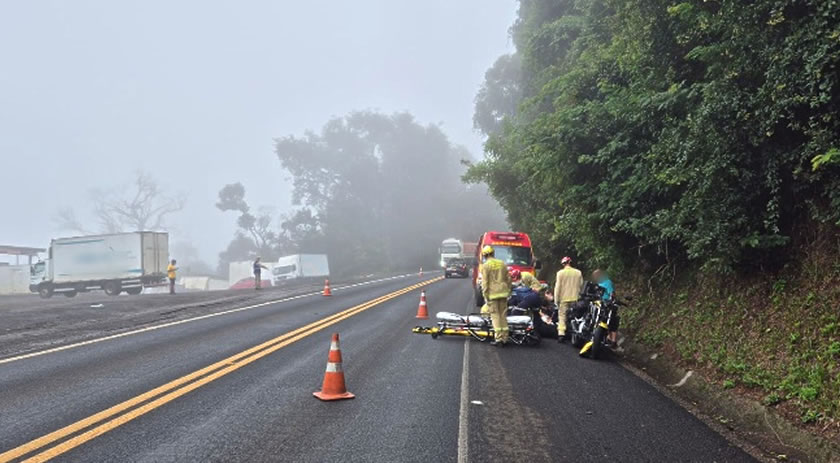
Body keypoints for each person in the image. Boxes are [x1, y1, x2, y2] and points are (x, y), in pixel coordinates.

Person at [480, 245, 512, 346]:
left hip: (493, 294)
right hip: (503, 293)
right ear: (493, 253)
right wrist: (508, 290)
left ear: (484, 255)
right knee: (503, 315)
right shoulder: (502, 263)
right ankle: (505, 338)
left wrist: (485, 294)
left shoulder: (486, 266)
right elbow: (509, 279)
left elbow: (484, 282)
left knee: (495, 316)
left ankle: (498, 339)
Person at [553, 256, 583, 342]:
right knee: (574, 316)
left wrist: (556, 300)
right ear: (570, 262)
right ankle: (575, 332)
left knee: (562, 316)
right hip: (575, 298)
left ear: (563, 264)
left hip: (564, 298)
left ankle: (561, 334)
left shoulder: (560, 273)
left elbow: (557, 287)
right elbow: (581, 285)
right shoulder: (578, 272)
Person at [593, 269, 619, 347]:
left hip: (607, 304)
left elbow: (612, 293)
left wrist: (611, 301)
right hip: (600, 304)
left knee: (611, 320)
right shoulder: (599, 283)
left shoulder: (607, 282)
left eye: (596, 276)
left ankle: (612, 340)